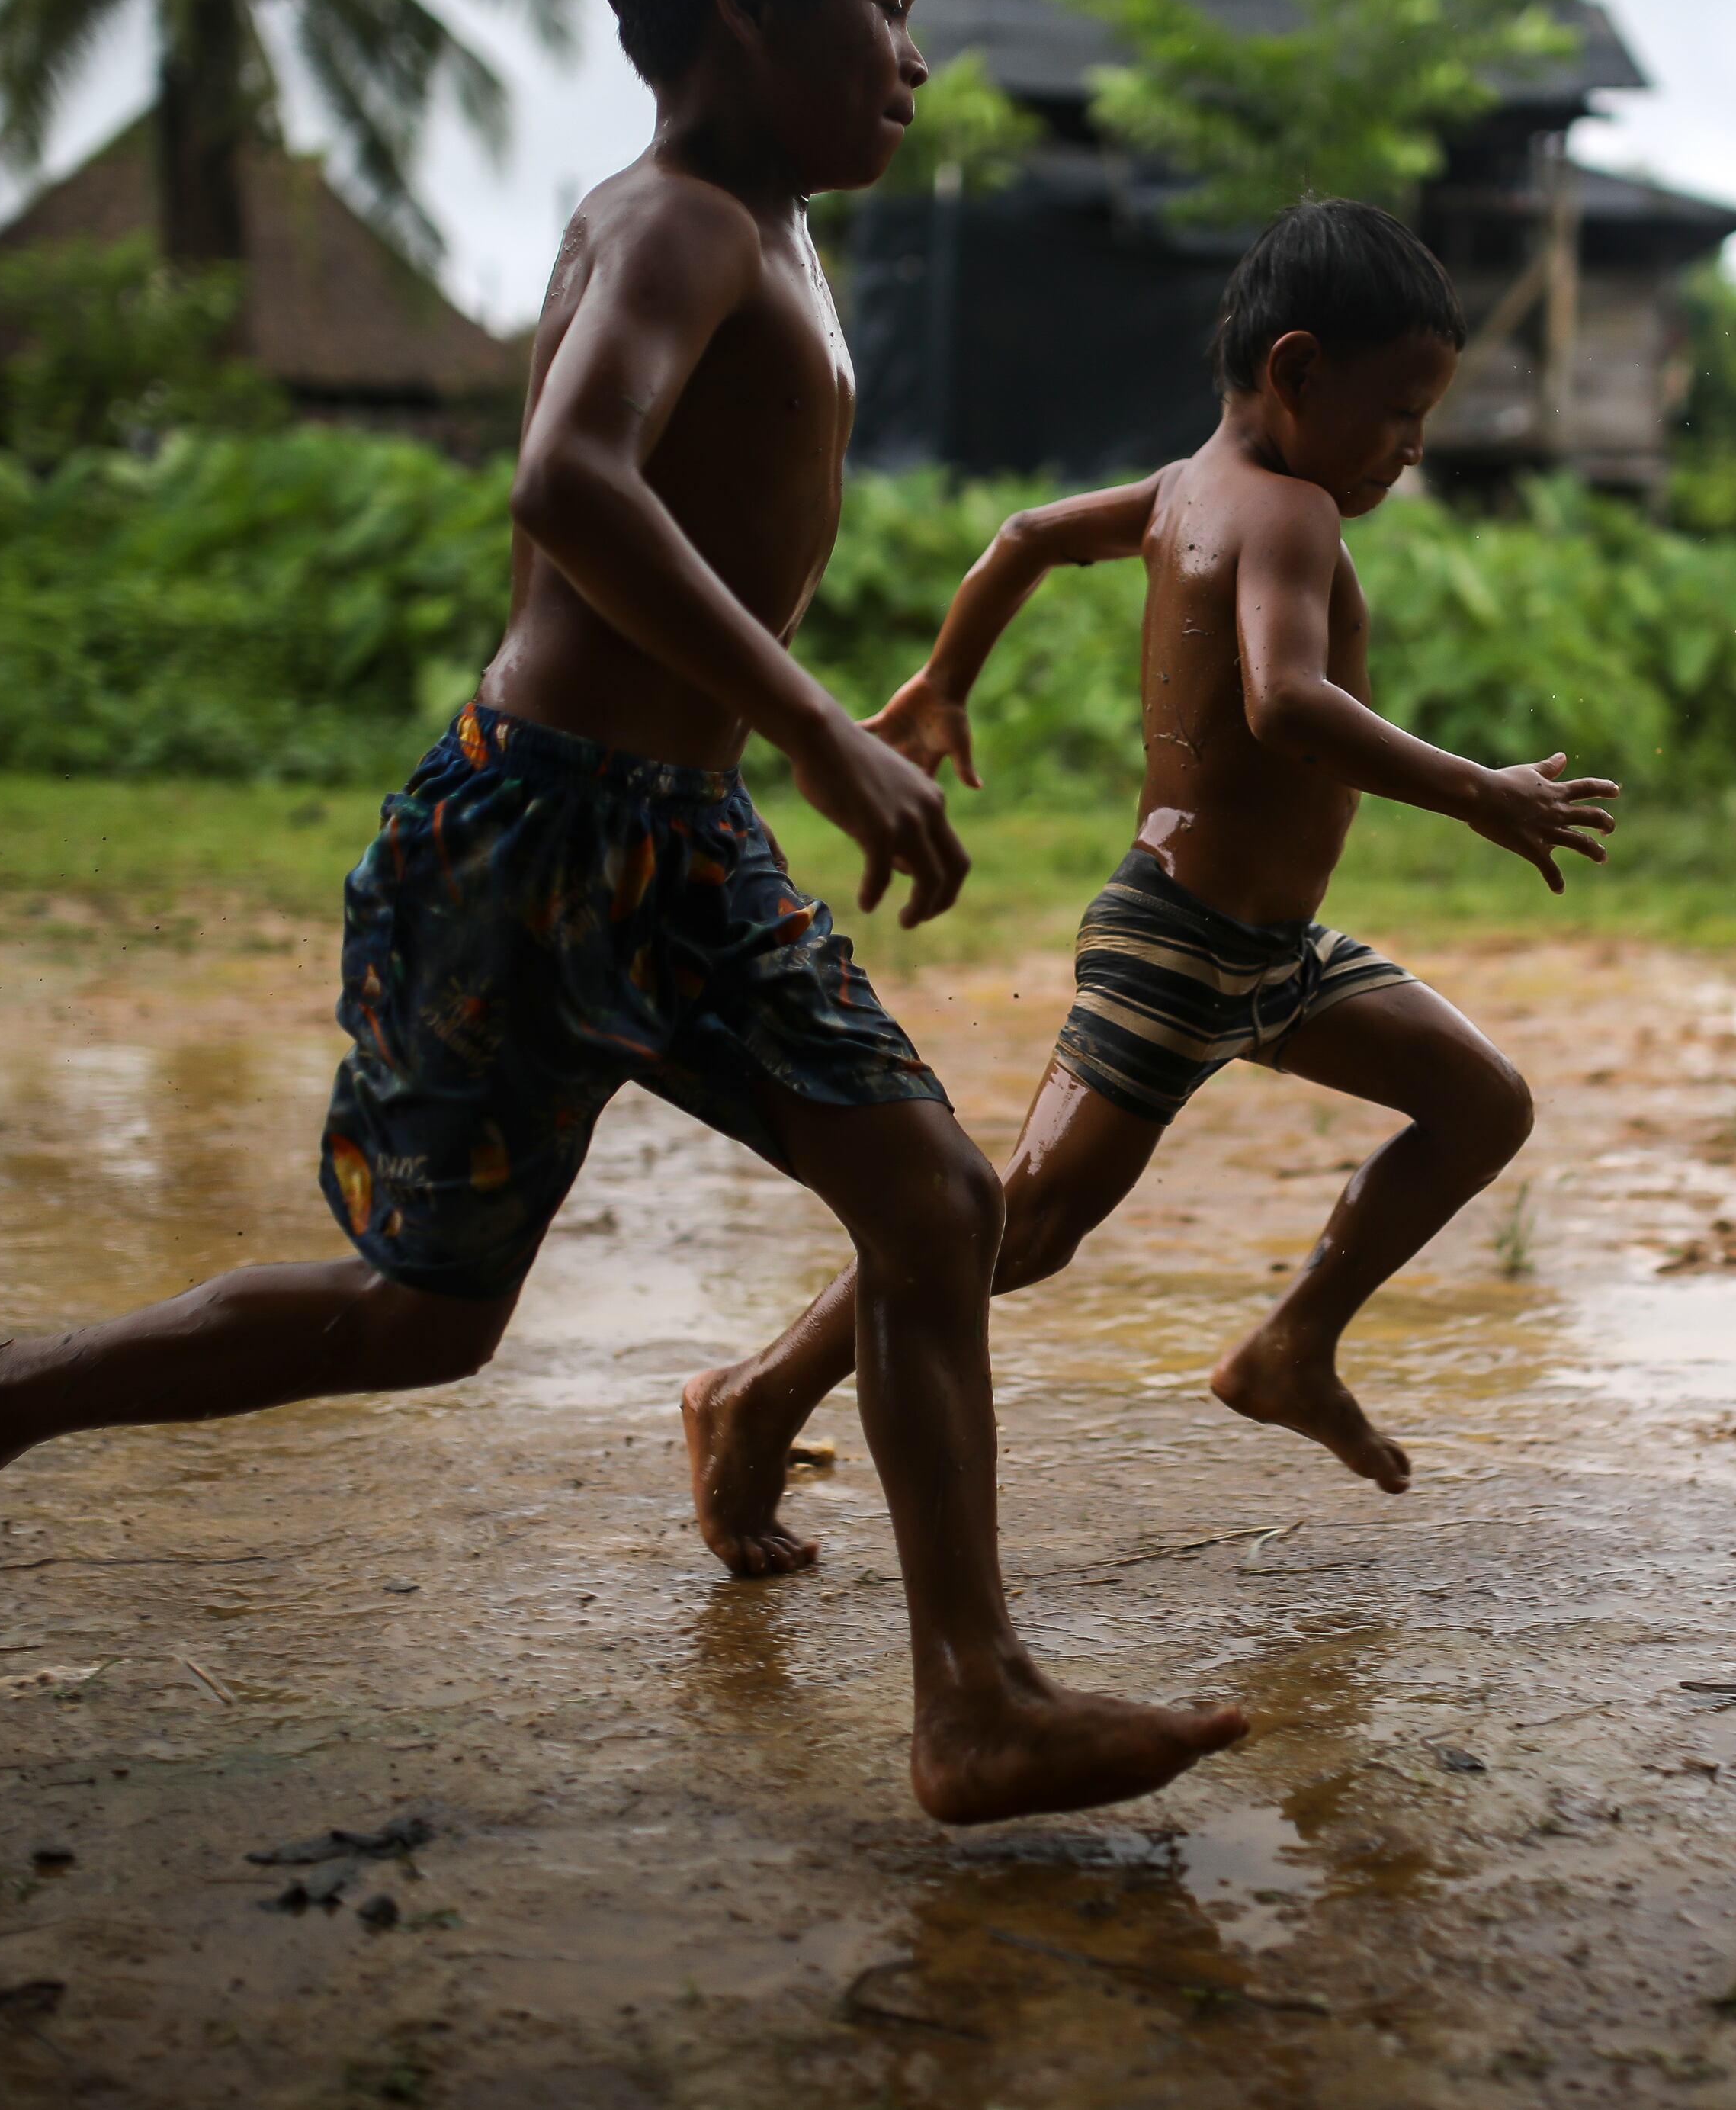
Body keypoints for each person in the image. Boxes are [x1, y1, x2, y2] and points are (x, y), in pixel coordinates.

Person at [0, 0, 1246, 1826]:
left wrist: (805, 730)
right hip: (536, 836)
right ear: (747, 0)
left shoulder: (772, 227)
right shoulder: (676, 218)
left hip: (675, 839)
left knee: (935, 1199)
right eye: (884, 4)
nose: (915, 57)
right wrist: (813, 724)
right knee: (423, 1316)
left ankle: (973, 1693)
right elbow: (572, 479)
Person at [678, 199, 1619, 1578]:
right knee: (1019, 1224)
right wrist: (1480, 788)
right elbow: (1287, 702)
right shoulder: (1290, 508)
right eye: (1400, 411)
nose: (1414, 447)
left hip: (1272, 953)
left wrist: (945, 679)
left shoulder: (1190, 486)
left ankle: (1293, 1344)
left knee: (1483, 1101)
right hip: (1181, 943)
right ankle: (756, 1394)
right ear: (1297, 372)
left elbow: (1023, 535)